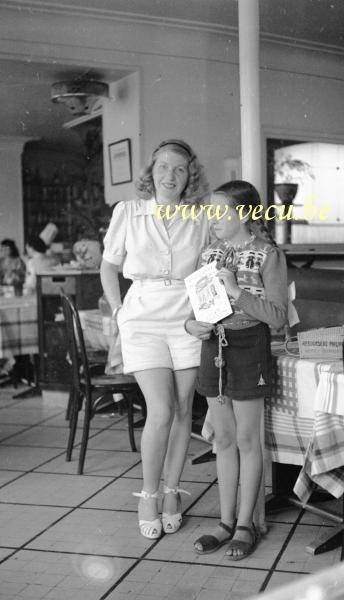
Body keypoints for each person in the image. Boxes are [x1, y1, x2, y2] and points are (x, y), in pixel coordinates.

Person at [100, 139, 209, 539]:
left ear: (188, 177)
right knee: (161, 410)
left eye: (179, 169)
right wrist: (117, 312)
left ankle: (172, 490)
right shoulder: (127, 212)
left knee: (183, 409)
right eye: (163, 166)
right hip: (142, 318)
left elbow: (207, 272)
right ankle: (148, 493)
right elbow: (108, 268)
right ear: (151, 171)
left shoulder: (200, 218)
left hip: (187, 319)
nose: (170, 175)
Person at [187, 180, 288, 560]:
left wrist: (237, 292)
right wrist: (190, 325)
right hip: (213, 348)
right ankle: (225, 522)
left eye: (220, 211)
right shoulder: (206, 255)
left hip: (249, 349)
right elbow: (196, 310)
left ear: (245, 214)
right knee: (223, 441)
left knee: (248, 441)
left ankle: (246, 523)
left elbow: (277, 318)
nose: (212, 219)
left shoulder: (267, 255)